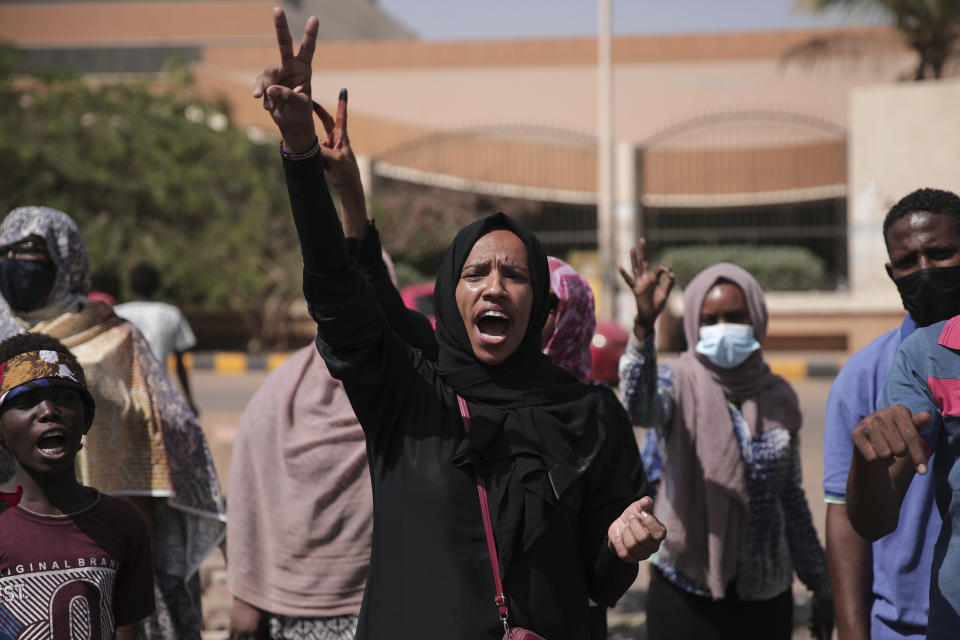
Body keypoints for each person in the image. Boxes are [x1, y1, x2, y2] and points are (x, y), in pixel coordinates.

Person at [253, 8, 665, 638]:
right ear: (449, 297)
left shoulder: (591, 417)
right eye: (475, 274)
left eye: (515, 274)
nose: (495, 286)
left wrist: (623, 546)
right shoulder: (407, 392)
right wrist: (301, 157)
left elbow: (598, 581)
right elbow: (341, 294)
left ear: (543, 308)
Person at [0, 206, 226, 640]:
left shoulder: (116, 340)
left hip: (105, 544)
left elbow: (159, 439)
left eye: (30, 255)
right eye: (6, 253)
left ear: (66, 260)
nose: (14, 266)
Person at [617, 244, 832, 639]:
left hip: (765, 594)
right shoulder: (676, 380)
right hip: (685, 587)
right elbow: (639, 407)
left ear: (757, 318)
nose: (722, 328)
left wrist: (820, 581)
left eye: (735, 317)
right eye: (709, 319)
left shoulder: (779, 396)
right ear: (694, 326)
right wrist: (644, 326)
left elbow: (791, 497)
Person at [822, 188, 960, 640]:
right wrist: (852, 632)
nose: (924, 271)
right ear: (891, 272)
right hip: (900, 623)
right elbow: (847, 516)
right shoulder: (863, 375)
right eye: (908, 262)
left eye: (940, 254)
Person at [0, 332, 155, 639]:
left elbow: (127, 628)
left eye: (65, 398)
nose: (48, 411)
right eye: (27, 401)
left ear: (86, 418)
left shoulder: (123, 523)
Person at [114, 261, 199, 415]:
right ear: (157, 285)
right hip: (159, 397)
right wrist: (190, 401)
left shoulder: (116, 313)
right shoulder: (170, 314)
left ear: (131, 286)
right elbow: (180, 363)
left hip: (123, 396)